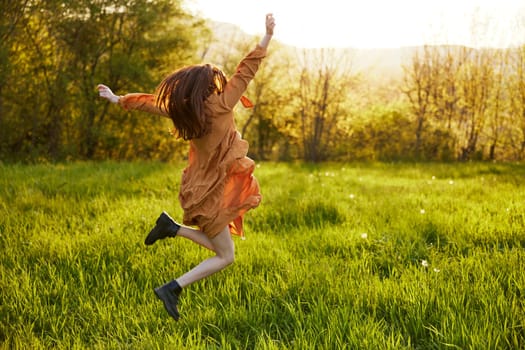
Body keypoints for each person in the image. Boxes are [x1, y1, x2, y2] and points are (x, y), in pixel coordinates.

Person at [97, 14, 275, 321]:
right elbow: (247, 70)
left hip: (197, 189)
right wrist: (268, 35)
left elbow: (150, 103)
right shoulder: (222, 103)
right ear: (212, 85)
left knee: (223, 251)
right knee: (225, 256)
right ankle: (172, 286)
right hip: (212, 193)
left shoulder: (181, 111)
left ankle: (172, 230)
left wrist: (117, 99)